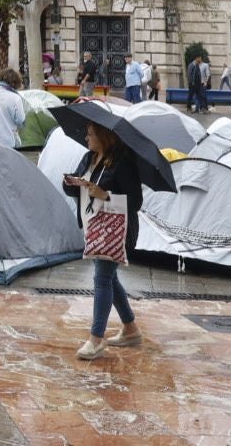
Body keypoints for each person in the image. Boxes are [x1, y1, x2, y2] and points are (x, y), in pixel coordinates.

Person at [62, 122, 145, 359]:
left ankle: (96, 339)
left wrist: (105, 195)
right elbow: (76, 187)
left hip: (117, 230)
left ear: (104, 137)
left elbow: (135, 202)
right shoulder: (89, 158)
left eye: (90, 135)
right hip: (95, 226)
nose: (86, 139)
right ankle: (131, 329)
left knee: (102, 278)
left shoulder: (123, 161)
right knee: (110, 278)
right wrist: (72, 183)